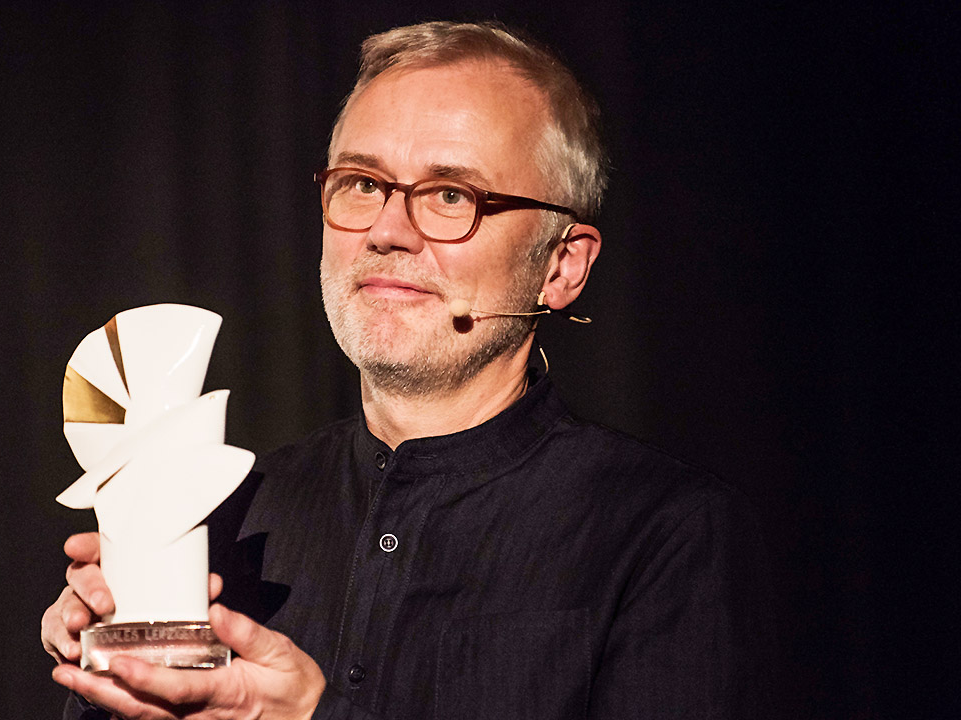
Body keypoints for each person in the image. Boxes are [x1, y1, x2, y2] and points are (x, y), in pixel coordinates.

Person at [42, 20, 775, 720]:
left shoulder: (666, 534)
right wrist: (114, 674)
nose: (388, 232)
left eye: (451, 195)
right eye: (361, 183)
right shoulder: (226, 512)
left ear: (561, 266)